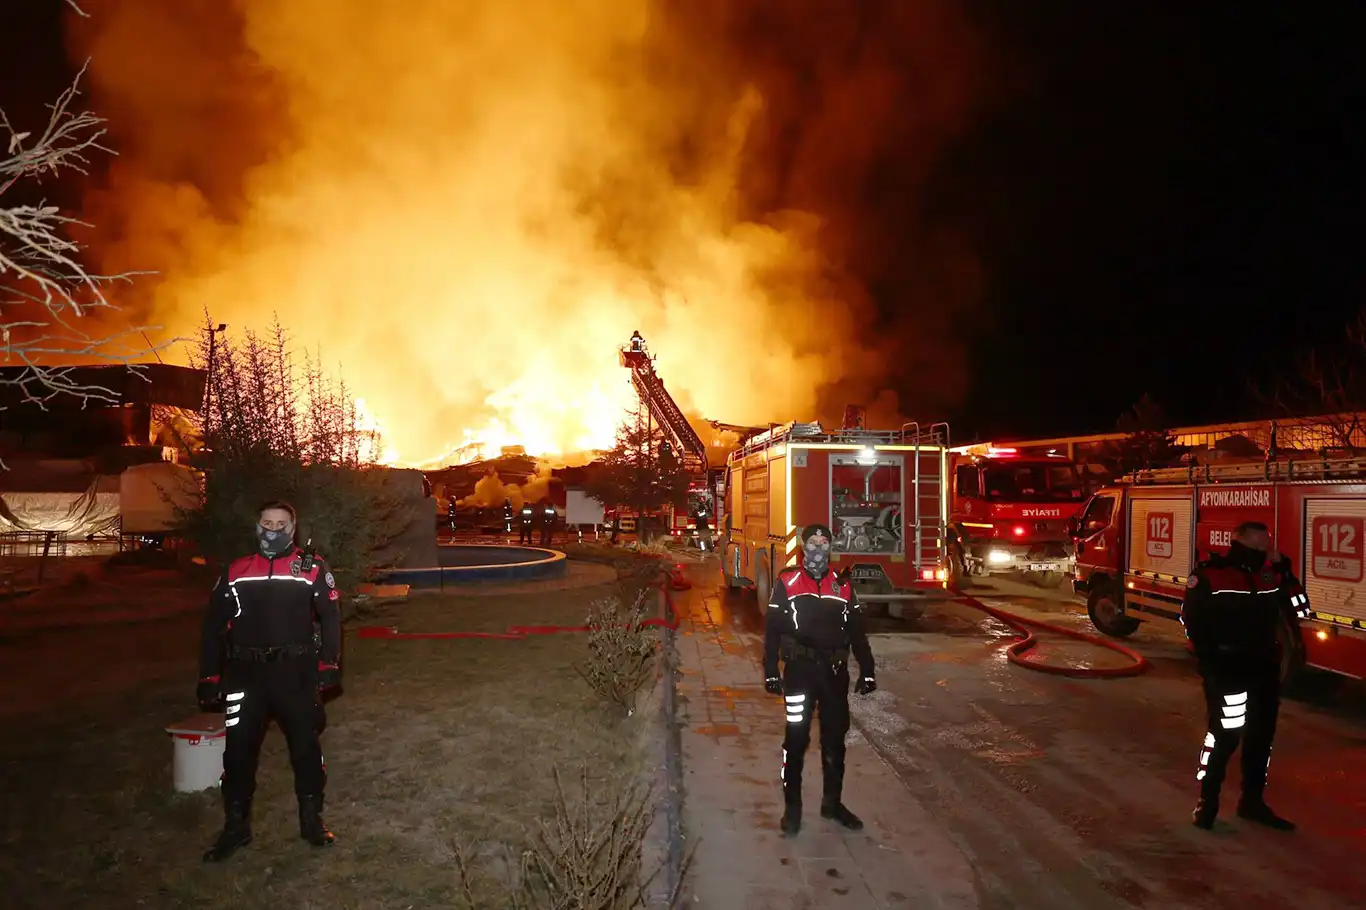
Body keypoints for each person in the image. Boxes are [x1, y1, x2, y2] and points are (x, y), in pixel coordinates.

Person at [196, 501, 342, 861]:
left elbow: (331, 619)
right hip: (246, 676)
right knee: (238, 752)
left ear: (293, 528)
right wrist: (209, 675)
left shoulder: (311, 568)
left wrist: (329, 665)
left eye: (280, 523)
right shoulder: (237, 570)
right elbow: (213, 626)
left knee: (305, 749)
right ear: (256, 525)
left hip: (296, 673)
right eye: (266, 522)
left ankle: (311, 821)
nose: (272, 529)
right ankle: (236, 827)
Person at [1182, 521, 1299, 832]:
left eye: (1267, 543)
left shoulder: (1269, 574)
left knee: (1261, 738)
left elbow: (1299, 607)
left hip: (1263, 670)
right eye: (1260, 542)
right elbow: (1192, 622)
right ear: (1241, 540)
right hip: (1228, 671)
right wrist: (1210, 665)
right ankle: (1207, 802)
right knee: (1224, 737)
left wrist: (1286, 572)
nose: (1266, 546)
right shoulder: (1210, 574)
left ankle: (1252, 802)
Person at [762, 524, 876, 836]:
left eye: (824, 542)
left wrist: (868, 670)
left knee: (835, 742)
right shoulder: (788, 580)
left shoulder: (843, 585)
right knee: (796, 742)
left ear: (830, 547)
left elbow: (857, 632)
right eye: (812, 542)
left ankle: (832, 804)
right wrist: (770, 670)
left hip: (834, 676)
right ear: (803, 545)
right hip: (800, 673)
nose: (818, 547)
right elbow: (772, 630)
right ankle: (793, 811)